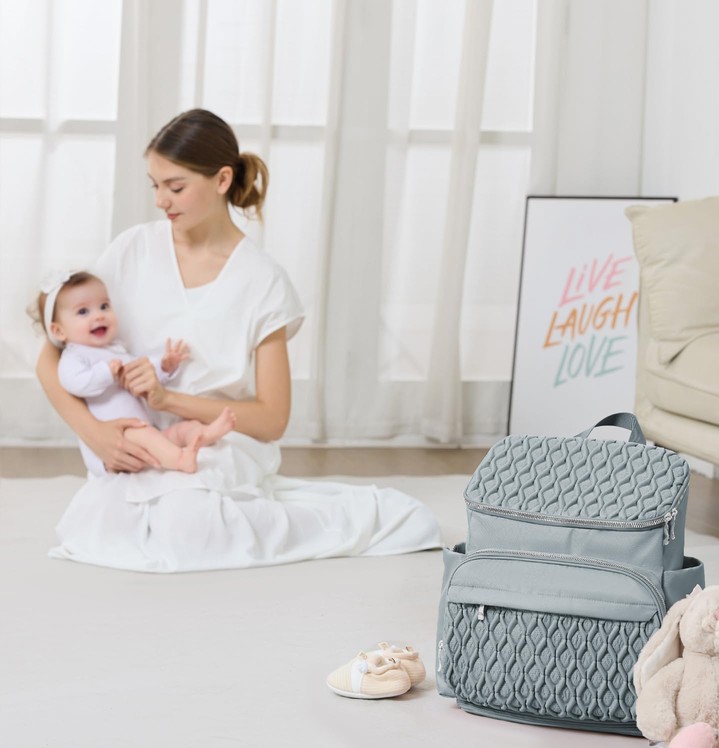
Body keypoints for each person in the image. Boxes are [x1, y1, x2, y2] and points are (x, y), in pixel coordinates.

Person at [36, 108, 442, 572]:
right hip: (140, 443)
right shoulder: (132, 250)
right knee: (99, 526)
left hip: (221, 441)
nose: (161, 201)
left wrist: (170, 399)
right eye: (155, 186)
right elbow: (51, 356)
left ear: (222, 179)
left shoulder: (263, 280)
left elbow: (271, 419)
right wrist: (96, 435)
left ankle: (349, 518)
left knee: (185, 524)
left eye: (175, 187)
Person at [35, 269, 236, 476]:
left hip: (143, 431)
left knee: (180, 429)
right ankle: (180, 460)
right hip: (117, 438)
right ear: (59, 331)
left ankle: (202, 434)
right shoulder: (74, 356)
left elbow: (140, 374)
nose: (99, 315)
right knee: (149, 438)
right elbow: (74, 383)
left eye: (104, 306)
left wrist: (164, 367)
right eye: (83, 311)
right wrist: (106, 373)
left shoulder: (114, 349)